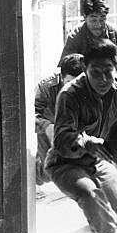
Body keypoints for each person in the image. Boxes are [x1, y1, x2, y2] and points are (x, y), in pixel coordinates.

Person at [46, 39, 117, 233]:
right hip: (66, 164)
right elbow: (61, 140)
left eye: (108, 71)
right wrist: (85, 142)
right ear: (85, 70)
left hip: (100, 161)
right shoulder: (70, 94)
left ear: (116, 68)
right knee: (96, 205)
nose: (103, 79)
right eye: (95, 72)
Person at [34, 53, 84, 185]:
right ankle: (29, 179)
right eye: (69, 83)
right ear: (61, 78)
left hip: (75, 129)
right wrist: (46, 126)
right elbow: (30, 115)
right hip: (48, 130)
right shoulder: (46, 88)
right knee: (48, 172)